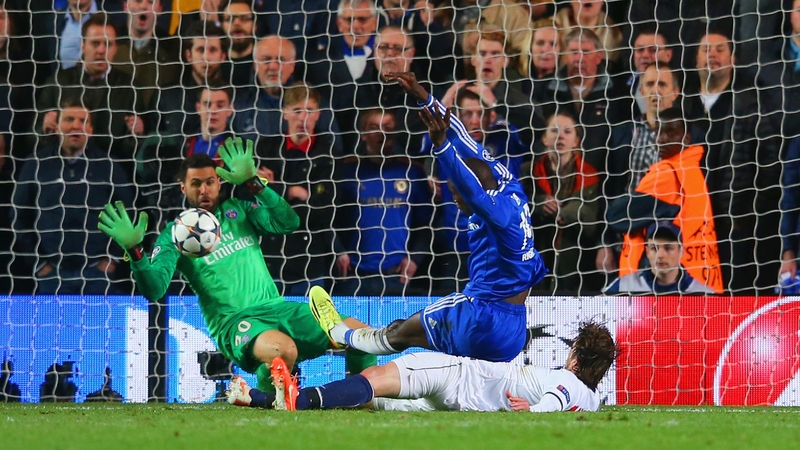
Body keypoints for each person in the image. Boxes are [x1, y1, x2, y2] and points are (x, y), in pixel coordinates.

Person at [97, 138, 376, 398]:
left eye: (209, 182)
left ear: (219, 183)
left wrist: (254, 184)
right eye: (195, 184)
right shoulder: (174, 235)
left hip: (278, 308)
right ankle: (270, 406)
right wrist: (136, 252)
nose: (204, 190)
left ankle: (359, 400)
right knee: (283, 350)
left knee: (361, 336)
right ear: (183, 188)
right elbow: (154, 290)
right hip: (236, 324)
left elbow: (288, 222)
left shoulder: (239, 210)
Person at [310, 72, 547, 363]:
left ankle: (343, 335)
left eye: (455, 195)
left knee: (403, 332)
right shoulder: (508, 184)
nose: (455, 201)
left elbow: (472, 192)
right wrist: (423, 95)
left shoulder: (494, 212)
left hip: (481, 317)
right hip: (514, 329)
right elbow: (463, 137)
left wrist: (442, 148)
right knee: (457, 374)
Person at [228, 320, 616, 412]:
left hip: (458, 376)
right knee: (369, 400)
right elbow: (566, 403)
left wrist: (533, 410)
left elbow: (555, 399)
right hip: (460, 406)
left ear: (576, 357)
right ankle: (260, 398)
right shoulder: (592, 401)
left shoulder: (566, 382)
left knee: (373, 379)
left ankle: (295, 398)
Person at [12, 96, 134, 294]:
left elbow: (128, 214)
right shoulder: (36, 163)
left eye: (83, 121)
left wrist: (113, 258)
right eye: (69, 119)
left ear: (91, 130)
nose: (76, 126)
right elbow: (19, 215)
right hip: (51, 273)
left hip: (98, 274)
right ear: (57, 126)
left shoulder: (109, 166)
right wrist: (38, 262)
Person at [606, 106, 723, 294]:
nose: (661, 139)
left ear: (686, 139)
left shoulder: (668, 173)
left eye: (670, 133)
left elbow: (617, 217)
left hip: (671, 281)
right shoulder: (692, 170)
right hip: (701, 279)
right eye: (658, 132)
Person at [334, 108, 432, 296]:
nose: (382, 133)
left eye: (387, 127)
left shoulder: (411, 172)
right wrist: (338, 251)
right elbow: (328, 218)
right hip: (353, 274)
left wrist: (415, 258)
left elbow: (427, 223)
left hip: (395, 274)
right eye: (374, 127)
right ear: (363, 134)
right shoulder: (346, 171)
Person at [523, 111, 599, 293]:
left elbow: (593, 219)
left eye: (567, 131)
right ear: (544, 139)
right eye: (555, 130)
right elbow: (515, 207)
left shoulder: (590, 175)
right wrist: (538, 204)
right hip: (536, 256)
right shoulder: (528, 171)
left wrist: (565, 213)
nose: (561, 136)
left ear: (576, 141)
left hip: (576, 262)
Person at [603, 221, 715, 294]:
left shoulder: (702, 293)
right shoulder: (624, 286)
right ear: (647, 252)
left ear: (681, 251)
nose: (660, 255)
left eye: (668, 248)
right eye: (654, 248)